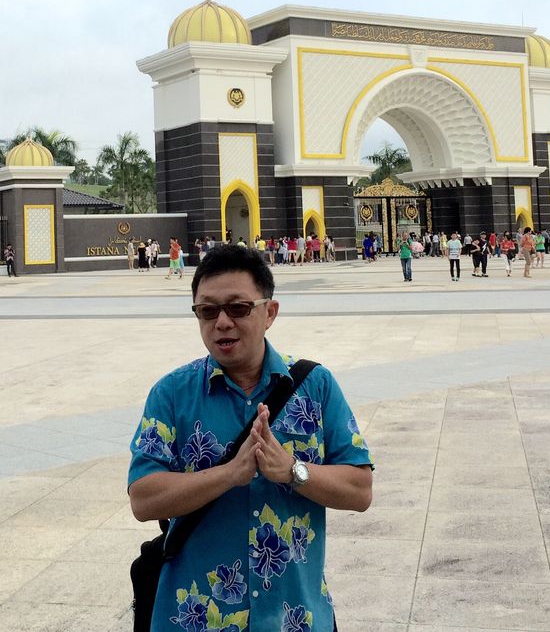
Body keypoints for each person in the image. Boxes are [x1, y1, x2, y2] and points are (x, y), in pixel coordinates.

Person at [128, 244, 373, 631]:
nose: (222, 322)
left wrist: (292, 470)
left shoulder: (316, 386)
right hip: (197, 620)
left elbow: (360, 490)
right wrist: (228, 474)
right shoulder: (171, 394)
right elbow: (143, 499)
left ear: (269, 312)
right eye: (208, 311)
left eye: (238, 308)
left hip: (295, 617)